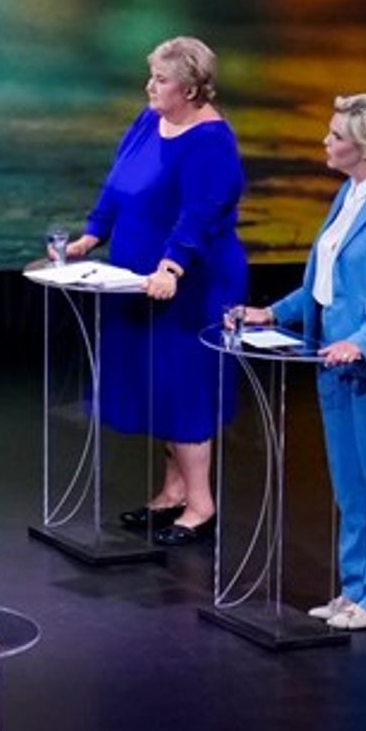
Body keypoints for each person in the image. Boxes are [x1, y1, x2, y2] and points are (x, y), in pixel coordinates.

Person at [230, 94, 366, 628]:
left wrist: (361, 342)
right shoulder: (349, 193)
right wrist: (271, 314)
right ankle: (354, 589)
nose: (326, 141)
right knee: (349, 486)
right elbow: (325, 285)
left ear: (364, 145)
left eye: (336, 135)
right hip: (331, 361)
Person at [66, 35, 248, 547]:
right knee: (156, 387)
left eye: (161, 79)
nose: (150, 86)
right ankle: (172, 493)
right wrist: (92, 234)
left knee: (182, 385)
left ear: (190, 88)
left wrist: (171, 265)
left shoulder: (211, 141)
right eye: (152, 76)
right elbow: (119, 182)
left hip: (190, 284)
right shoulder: (150, 120)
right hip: (138, 281)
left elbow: (201, 212)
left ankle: (200, 504)